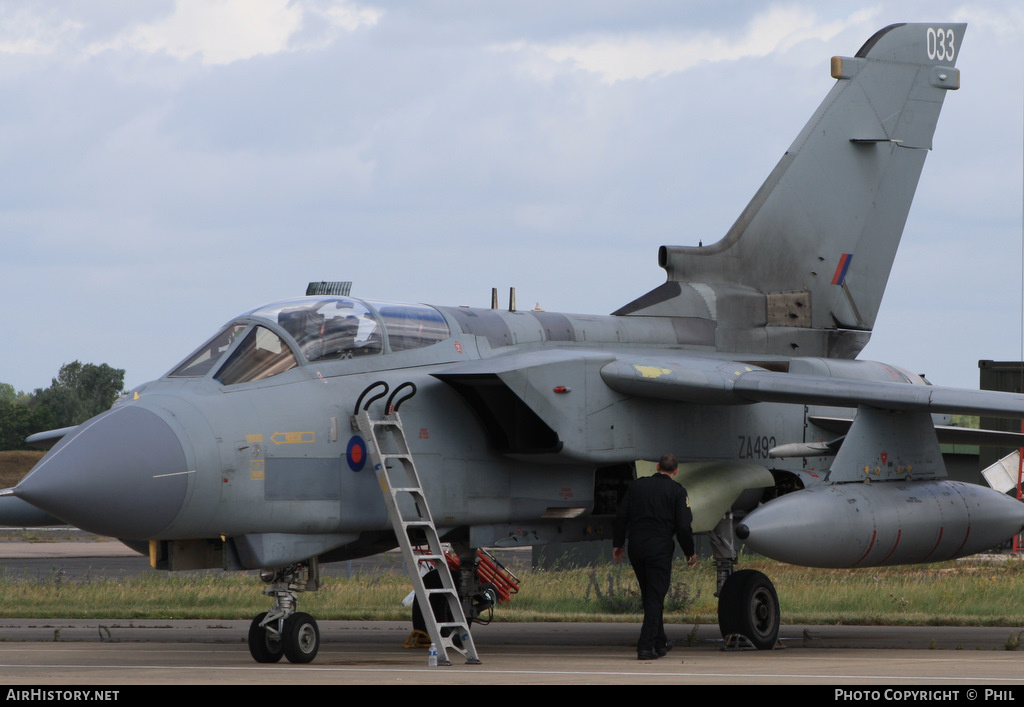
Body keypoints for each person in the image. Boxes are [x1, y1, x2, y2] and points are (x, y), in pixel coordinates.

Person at [613, 453, 697, 660]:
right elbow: (684, 526)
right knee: (656, 597)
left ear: (657, 466)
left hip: (636, 546)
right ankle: (645, 646)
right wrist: (689, 551)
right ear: (676, 471)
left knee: (650, 595)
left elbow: (621, 516)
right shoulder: (677, 491)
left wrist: (618, 544)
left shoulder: (636, 487)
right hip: (659, 548)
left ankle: (661, 643)